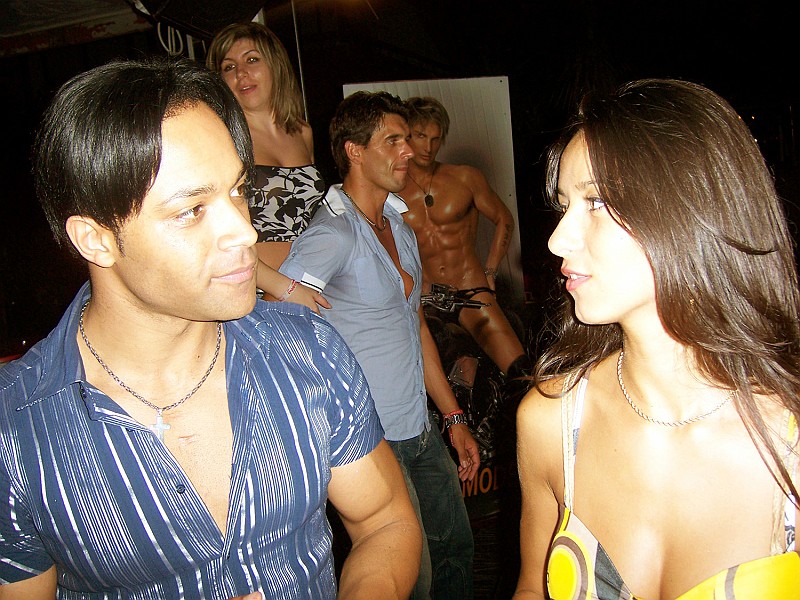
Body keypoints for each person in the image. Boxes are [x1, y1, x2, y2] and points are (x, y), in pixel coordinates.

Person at [0, 57, 421, 600]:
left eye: (238, 191)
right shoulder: (17, 428)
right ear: (96, 239)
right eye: (192, 209)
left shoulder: (308, 352)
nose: (245, 231)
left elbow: (385, 521)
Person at [514, 78, 800, 599]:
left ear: (692, 209)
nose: (557, 239)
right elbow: (532, 588)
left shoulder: (790, 438)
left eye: (597, 202)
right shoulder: (551, 420)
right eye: (564, 205)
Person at [280, 91, 480, 599]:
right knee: (413, 579)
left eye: (406, 139)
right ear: (354, 151)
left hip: (419, 428)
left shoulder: (398, 226)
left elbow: (416, 329)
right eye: (393, 141)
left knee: (457, 553)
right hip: (369, 441)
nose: (409, 151)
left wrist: (453, 416)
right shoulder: (334, 232)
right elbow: (279, 319)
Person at [398, 96, 530, 379]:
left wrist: (490, 271)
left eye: (436, 138)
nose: (428, 147)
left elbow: (503, 218)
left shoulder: (465, 178)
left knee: (520, 371)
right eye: (421, 136)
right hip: (424, 297)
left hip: (470, 287)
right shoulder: (391, 189)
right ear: (406, 135)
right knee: (427, 380)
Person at [207, 22, 329, 314]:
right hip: (257, 294)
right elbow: (217, 234)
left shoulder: (302, 132)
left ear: (275, 65)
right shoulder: (223, 139)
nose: (241, 73)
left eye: (251, 60)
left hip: (313, 284)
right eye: (228, 67)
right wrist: (284, 288)